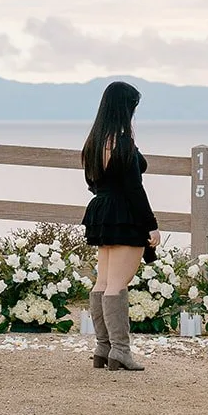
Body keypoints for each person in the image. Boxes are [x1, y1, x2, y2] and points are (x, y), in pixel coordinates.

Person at [80, 80, 160, 371]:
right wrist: (151, 226)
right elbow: (134, 189)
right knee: (116, 284)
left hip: (101, 212)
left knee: (102, 282)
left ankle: (103, 348)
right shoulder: (123, 143)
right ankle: (121, 351)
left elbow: (92, 182)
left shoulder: (94, 142)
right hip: (124, 215)